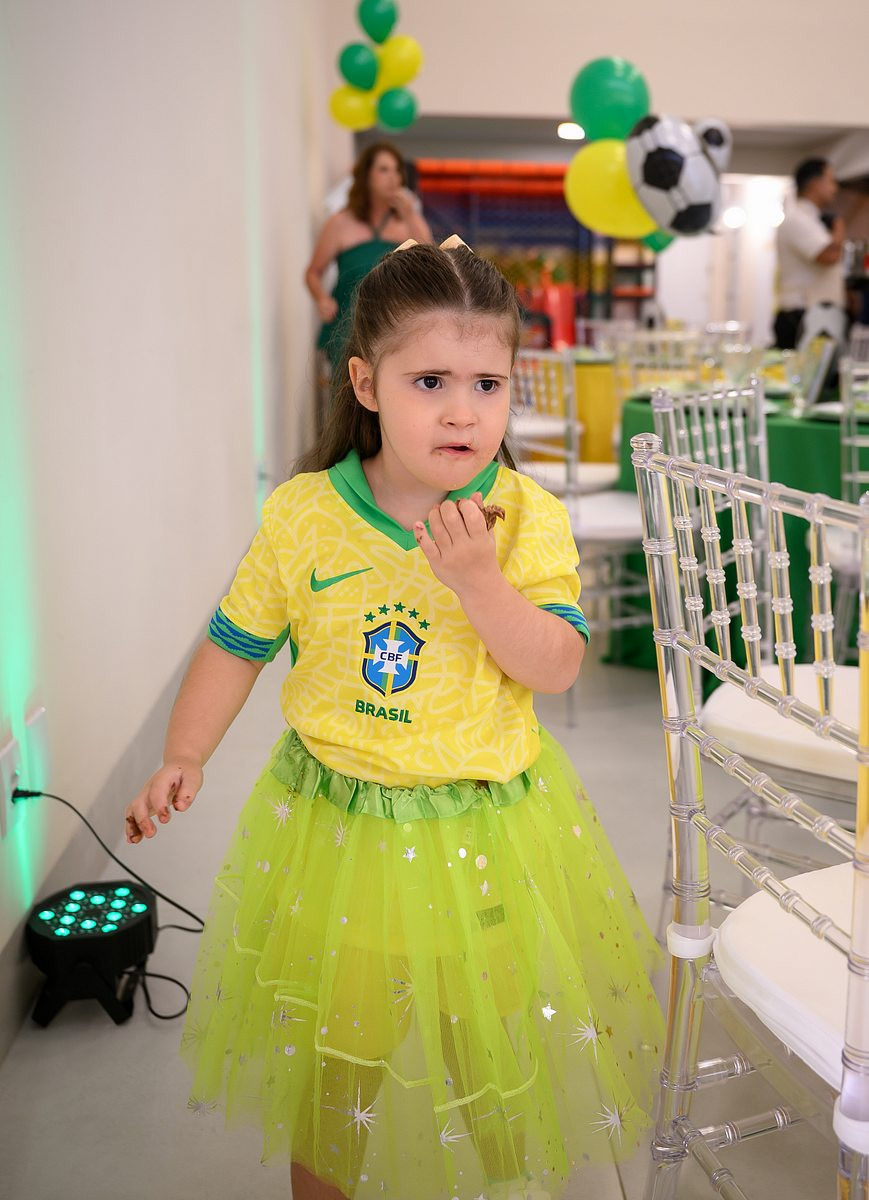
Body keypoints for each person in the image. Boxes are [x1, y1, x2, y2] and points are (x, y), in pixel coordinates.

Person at [125, 237, 663, 1200]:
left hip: (484, 830)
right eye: (430, 382)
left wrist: (480, 582)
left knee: (487, 1049)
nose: (463, 411)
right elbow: (236, 643)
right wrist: (185, 752)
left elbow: (556, 664)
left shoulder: (524, 516)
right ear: (366, 384)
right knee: (341, 1065)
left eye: (488, 384)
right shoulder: (304, 514)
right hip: (344, 836)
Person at [305, 142, 432, 427]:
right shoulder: (341, 223)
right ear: (366, 176)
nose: (392, 178)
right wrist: (322, 298)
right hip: (346, 325)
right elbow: (313, 272)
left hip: (395, 325)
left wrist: (410, 215)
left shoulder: (406, 224)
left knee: (391, 400)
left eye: (397, 171)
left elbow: (434, 261)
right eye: (383, 170)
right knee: (347, 402)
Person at [774, 157, 846, 350]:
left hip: (813, 314)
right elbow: (829, 256)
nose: (835, 188)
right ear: (815, 183)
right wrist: (839, 226)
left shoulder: (811, 220)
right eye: (831, 181)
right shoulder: (797, 219)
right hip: (802, 317)